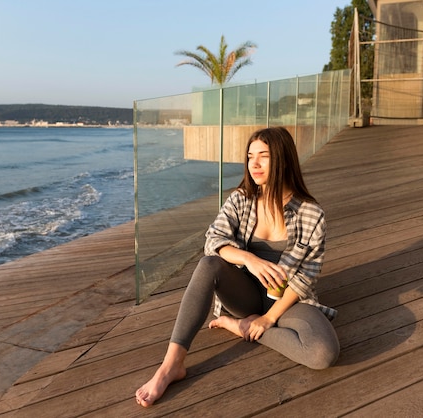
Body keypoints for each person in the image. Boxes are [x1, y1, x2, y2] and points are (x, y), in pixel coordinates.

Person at [135, 126, 340, 407]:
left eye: (263, 156)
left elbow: (306, 276)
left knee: (323, 354)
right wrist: (249, 259)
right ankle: (171, 366)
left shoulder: (311, 214)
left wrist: (267, 319)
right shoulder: (241, 200)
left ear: (283, 159)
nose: (253, 164)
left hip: (289, 301)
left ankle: (239, 326)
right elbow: (213, 240)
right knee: (209, 264)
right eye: (249, 156)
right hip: (244, 294)